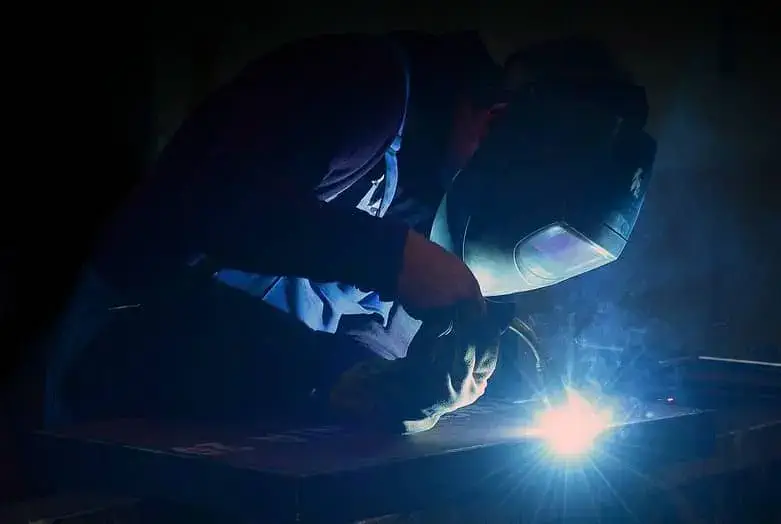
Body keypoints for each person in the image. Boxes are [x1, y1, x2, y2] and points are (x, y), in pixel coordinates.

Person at [44, 32, 656, 434]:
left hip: (211, 429)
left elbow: (342, 347)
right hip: (95, 384)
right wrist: (395, 259)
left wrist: (388, 384)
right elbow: (213, 207)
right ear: (499, 121)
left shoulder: (423, 198)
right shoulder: (367, 87)